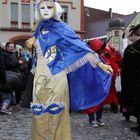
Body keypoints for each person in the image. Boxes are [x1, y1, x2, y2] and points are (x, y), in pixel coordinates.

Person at [26, 0, 113, 140]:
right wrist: (31, 45)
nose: (46, 10)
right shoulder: (38, 31)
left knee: (56, 111)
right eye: (42, 8)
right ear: (37, 11)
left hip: (57, 76)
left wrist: (99, 63)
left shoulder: (62, 28)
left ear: (55, 9)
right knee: (39, 112)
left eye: (49, 7)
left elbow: (78, 47)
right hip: (40, 79)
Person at [119, 24, 140, 136]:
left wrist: (125, 39)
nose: (131, 39)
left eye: (131, 37)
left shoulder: (136, 46)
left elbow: (126, 52)